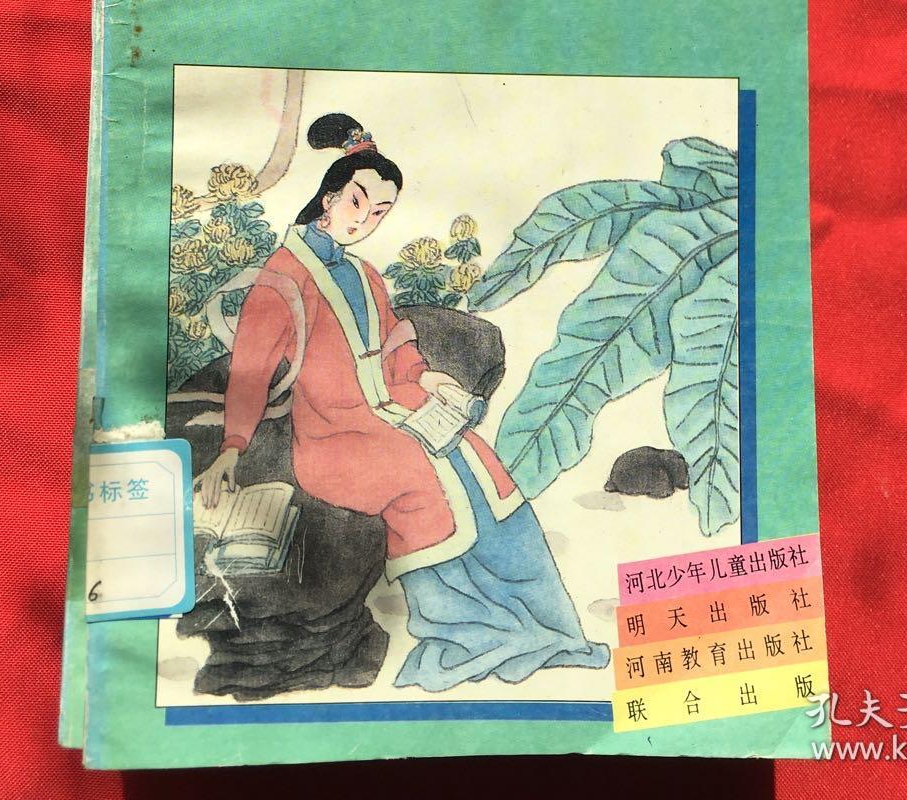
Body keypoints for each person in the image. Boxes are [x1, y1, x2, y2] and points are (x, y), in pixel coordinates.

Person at [196, 112, 609, 691]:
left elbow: (394, 344)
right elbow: (249, 374)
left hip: (397, 405)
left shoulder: (365, 275)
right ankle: (465, 635)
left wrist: (431, 380)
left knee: (482, 467)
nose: (364, 220)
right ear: (329, 197)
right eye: (357, 203)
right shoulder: (281, 280)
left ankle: (549, 633)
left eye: (380, 213)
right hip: (335, 434)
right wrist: (230, 450)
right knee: (423, 477)